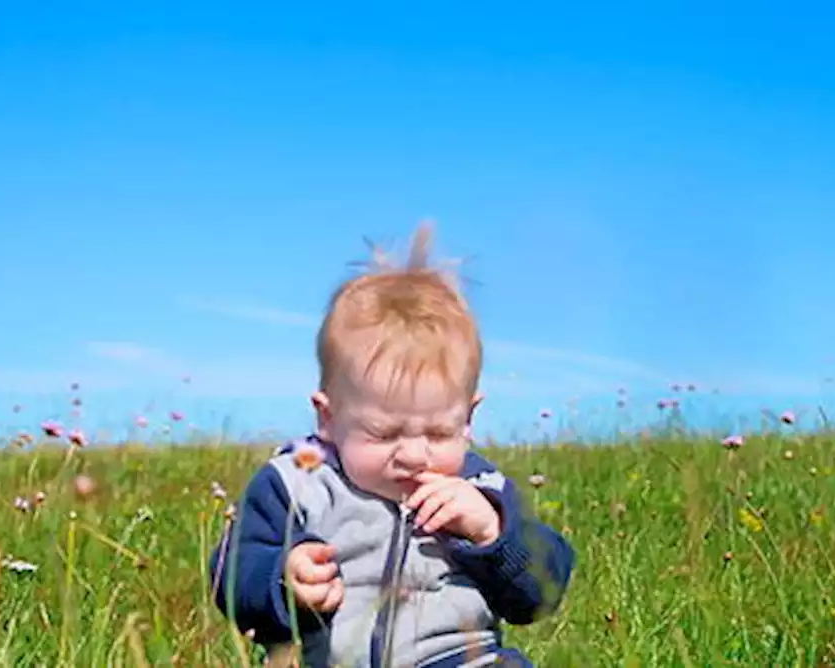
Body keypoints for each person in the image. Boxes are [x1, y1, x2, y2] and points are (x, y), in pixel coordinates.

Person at [209, 222, 575, 668]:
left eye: (440, 433)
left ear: (468, 418)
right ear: (328, 417)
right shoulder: (297, 482)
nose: (414, 455)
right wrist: (284, 579)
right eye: (384, 434)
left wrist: (492, 533)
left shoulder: (480, 488)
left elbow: (541, 593)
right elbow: (232, 572)